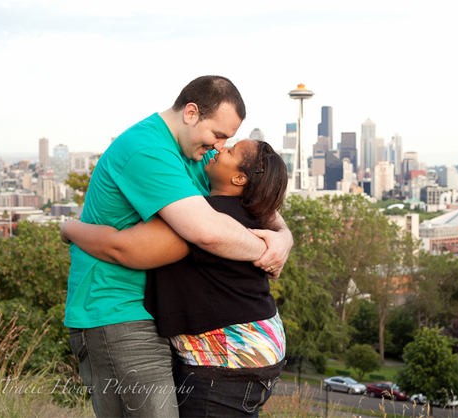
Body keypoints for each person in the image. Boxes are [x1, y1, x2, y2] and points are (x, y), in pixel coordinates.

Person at [63, 75, 293, 417]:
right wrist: (264, 250)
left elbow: (257, 200)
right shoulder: (149, 151)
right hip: (118, 312)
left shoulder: (196, 153)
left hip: (158, 317)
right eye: (218, 136)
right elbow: (204, 232)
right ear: (190, 113)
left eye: (227, 142)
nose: (218, 146)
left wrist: (283, 236)